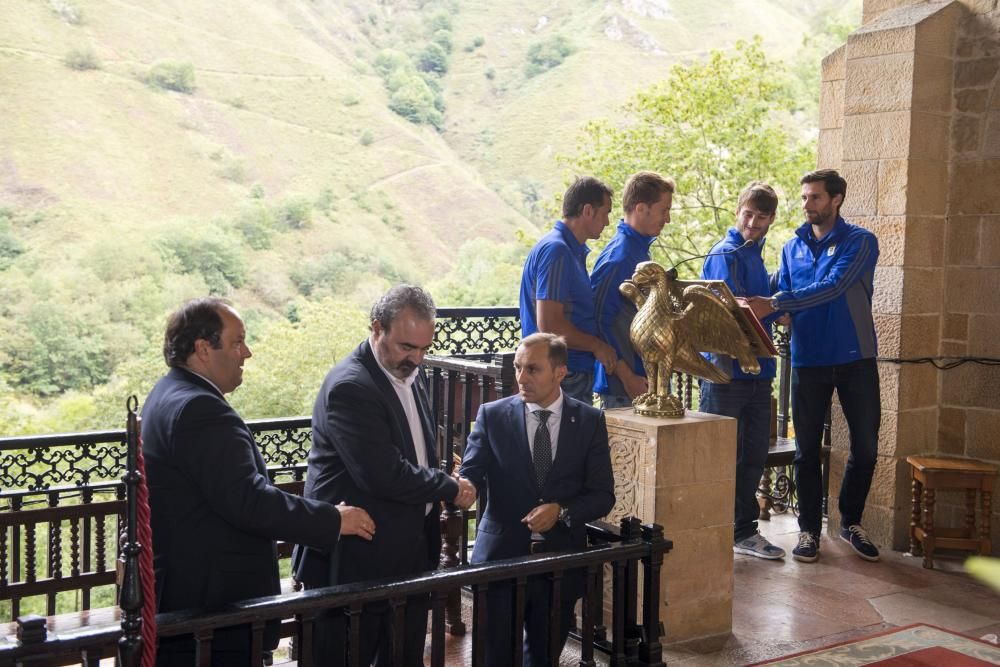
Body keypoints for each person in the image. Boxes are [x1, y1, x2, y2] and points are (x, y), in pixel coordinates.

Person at [141, 298, 375, 666]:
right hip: (212, 602)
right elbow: (248, 501)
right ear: (203, 349)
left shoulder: (166, 392)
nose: (246, 353)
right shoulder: (202, 410)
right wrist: (333, 519)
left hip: (182, 589)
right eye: (237, 342)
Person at [292, 284, 476, 666]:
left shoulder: (409, 373)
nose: (417, 359)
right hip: (355, 559)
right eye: (408, 347)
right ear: (377, 328)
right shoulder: (350, 386)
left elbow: (415, 454)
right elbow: (382, 474)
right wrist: (447, 486)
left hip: (406, 551)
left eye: (425, 349)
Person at [748, 169, 881, 564]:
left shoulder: (861, 242)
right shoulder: (791, 248)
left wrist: (777, 304)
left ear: (836, 199)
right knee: (805, 451)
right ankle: (808, 531)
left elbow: (835, 287)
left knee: (867, 448)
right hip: (808, 361)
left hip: (856, 359)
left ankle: (850, 521)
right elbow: (783, 296)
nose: (806, 205)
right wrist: (773, 311)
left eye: (815, 198)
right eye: (804, 198)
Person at [458, 333, 615, 667]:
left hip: (559, 564)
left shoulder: (589, 421)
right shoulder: (492, 415)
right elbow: (471, 470)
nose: (521, 377)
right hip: (499, 560)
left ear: (560, 372)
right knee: (494, 657)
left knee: (544, 658)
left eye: (533, 369)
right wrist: (464, 486)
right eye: (518, 367)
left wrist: (562, 511)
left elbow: (603, 495)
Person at [698, 182, 785, 560]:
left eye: (760, 217)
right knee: (721, 457)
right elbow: (728, 313)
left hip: (758, 373)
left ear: (770, 220)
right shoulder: (725, 253)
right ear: (738, 211)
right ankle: (713, 529)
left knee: (752, 456)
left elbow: (763, 308)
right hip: (726, 374)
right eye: (747, 214)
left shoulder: (756, 255)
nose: (752, 223)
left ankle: (743, 530)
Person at [519, 176, 618, 403]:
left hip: (568, 371)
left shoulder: (568, 250)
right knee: (562, 438)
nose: (607, 222)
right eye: (606, 212)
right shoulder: (557, 251)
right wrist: (596, 346)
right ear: (588, 211)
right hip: (563, 373)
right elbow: (550, 325)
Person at [591, 171, 675, 408]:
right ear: (641, 209)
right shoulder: (620, 257)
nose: (667, 219)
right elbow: (598, 320)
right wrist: (627, 376)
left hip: (643, 379)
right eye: (664, 210)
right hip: (625, 385)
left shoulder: (637, 250)